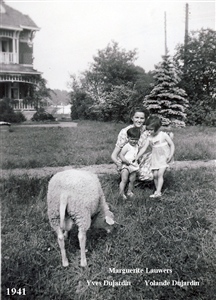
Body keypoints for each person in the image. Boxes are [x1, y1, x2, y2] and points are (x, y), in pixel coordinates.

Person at [111, 106, 153, 183]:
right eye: (136, 117)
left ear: (145, 119)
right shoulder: (125, 132)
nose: (139, 120)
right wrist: (120, 165)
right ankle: (128, 179)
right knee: (131, 174)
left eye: (142, 118)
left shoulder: (146, 132)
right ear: (132, 118)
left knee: (157, 154)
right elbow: (114, 155)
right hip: (126, 162)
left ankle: (141, 178)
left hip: (138, 159)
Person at [136, 115, 175, 198]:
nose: (149, 131)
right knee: (155, 175)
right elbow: (144, 148)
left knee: (160, 174)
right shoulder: (149, 137)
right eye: (148, 129)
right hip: (155, 158)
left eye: (151, 129)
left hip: (164, 157)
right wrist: (137, 156)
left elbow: (172, 145)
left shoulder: (163, 135)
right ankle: (157, 191)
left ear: (157, 128)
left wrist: (171, 155)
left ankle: (158, 192)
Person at [118, 127, 140, 199]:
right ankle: (121, 193)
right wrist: (124, 161)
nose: (134, 141)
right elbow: (120, 155)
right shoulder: (127, 146)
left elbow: (136, 154)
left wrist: (138, 160)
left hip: (133, 166)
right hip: (126, 165)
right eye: (132, 139)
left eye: (136, 139)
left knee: (132, 180)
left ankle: (129, 191)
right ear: (128, 138)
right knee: (124, 180)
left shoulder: (137, 146)